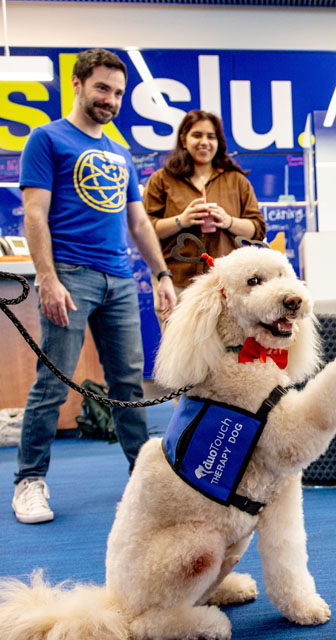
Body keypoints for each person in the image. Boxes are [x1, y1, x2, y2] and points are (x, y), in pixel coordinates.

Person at [13, 48, 177, 524]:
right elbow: (35, 213)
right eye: (103, 88)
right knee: (53, 383)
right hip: (71, 275)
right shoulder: (46, 139)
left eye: (119, 92)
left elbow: (139, 222)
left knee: (128, 382)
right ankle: (29, 480)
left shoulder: (119, 151)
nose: (111, 99)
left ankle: (143, 481)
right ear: (78, 85)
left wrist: (161, 273)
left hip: (119, 280)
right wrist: (47, 278)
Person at [143, 110, 265, 328]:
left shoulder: (236, 181)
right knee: (181, 357)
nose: (204, 142)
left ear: (218, 141)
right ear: (184, 139)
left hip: (227, 286)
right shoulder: (161, 180)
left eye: (211, 136)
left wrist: (228, 221)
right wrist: (182, 220)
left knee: (228, 355)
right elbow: (146, 230)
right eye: (197, 135)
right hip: (177, 283)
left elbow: (257, 229)